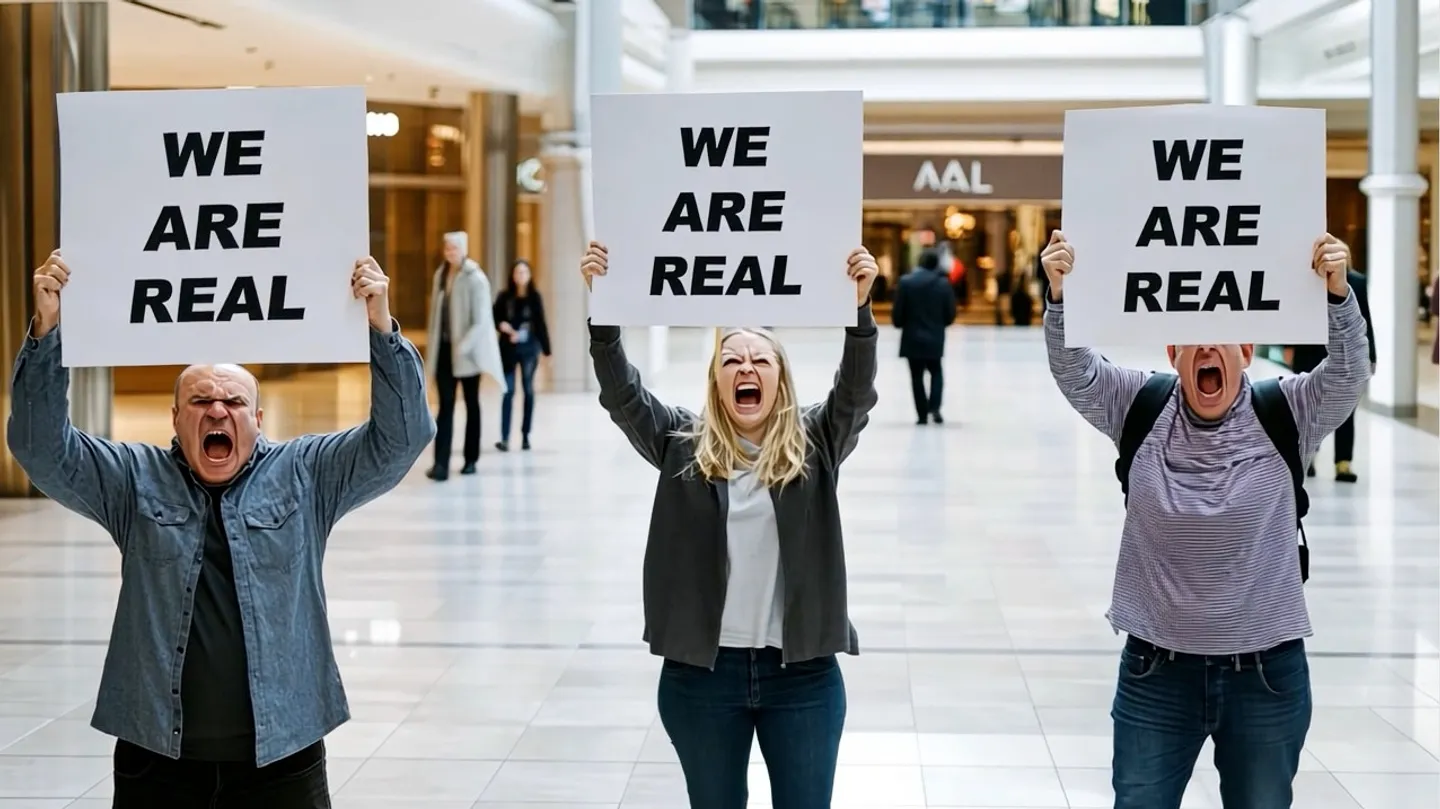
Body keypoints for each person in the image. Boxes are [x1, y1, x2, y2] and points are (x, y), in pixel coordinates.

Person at [8, 250, 435, 809]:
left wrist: (381, 326)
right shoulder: (134, 479)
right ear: (176, 417)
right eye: (200, 400)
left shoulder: (306, 473)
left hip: (282, 757)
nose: (217, 411)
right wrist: (48, 330)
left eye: (234, 401)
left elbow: (400, 440)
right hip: (156, 757)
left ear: (259, 421)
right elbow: (41, 450)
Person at [1040, 231, 1371, 809]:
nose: (1206, 351)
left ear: (1246, 351)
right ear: (1173, 356)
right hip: (1156, 674)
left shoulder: (1286, 410)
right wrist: (1062, 296)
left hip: (1266, 676)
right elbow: (1078, 371)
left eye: (1222, 340)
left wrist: (1339, 295)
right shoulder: (1140, 404)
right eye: (1191, 342)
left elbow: (1347, 375)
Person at [581, 241, 878, 809]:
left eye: (761, 360)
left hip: (803, 677)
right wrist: (605, 315)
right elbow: (623, 398)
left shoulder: (816, 443)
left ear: (781, 380)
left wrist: (859, 314)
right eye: (731, 359)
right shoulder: (680, 444)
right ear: (717, 380)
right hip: (702, 678)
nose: (746, 367)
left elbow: (855, 394)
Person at [425, 231, 506, 480]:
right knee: (445, 407)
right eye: (447, 248)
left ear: (463, 250)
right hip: (444, 353)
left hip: (468, 355)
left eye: (454, 248)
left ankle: (471, 459)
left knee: (472, 405)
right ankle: (441, 464)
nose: (450, 253)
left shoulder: (475, 279)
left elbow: (482, 320)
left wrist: (465, 345)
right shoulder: (441, 275)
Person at [1287, 262, 1376, 483]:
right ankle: (1311, 456)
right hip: (1309, 350)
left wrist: (1370, 354)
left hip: (1344, 350)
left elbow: (1363, 319)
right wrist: (1288, 345)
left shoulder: (1356, 282)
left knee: (1346, 409)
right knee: (1309, 407)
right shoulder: (1308, 280)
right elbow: (1296, 315)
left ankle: (1343, 461)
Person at [891, 248, 957, 424]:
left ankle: (921, 413)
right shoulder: (943, 284)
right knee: (936, 371)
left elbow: (898, 313)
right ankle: (934, 407)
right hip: (935, 337)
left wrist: (900, 322)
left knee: (916, 376)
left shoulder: (906, 282)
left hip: (912, 337)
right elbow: (950, 314)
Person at [493, 259, 551, 452]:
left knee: (528, 389)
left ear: (529, 275)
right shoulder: (504, 297)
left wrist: (547, 351)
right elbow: (494, 317)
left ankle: (525, 435)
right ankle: (505, 438)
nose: (521, 276)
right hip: (508, 350)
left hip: (529, 350)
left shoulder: (535, 297)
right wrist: (502, 325)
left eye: (524, 272)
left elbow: (541, 324)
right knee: (508, 391)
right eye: (518, 272)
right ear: (512, 275)